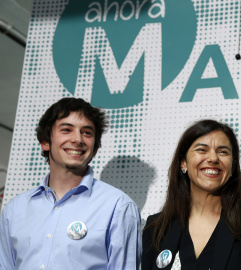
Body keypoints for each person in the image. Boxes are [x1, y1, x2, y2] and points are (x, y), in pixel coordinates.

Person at [0, 97, 141, 270]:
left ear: (95, 148)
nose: (78, 139)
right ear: (45, 141)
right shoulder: (14, 210)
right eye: (66, 130)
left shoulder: (118, 207)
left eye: (87, 133)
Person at [142, 119, 241, 270]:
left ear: (232, 166)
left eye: (223, 152)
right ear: (183, 162)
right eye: (202, 150)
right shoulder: (156, 227)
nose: (213, 158)